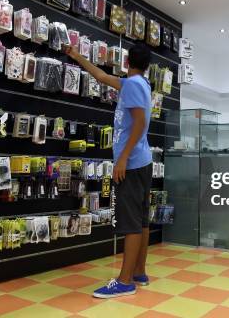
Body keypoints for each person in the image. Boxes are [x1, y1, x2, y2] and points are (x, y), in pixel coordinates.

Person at [64, 43, 153, 299]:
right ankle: (139, 272)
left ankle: (125, 281)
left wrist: (123, 158)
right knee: (142, 219)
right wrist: (76, 55)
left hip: (133, 163)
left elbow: (140, 122)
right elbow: (101, 76)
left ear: (127, 61)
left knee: (132, 222)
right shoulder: (138, 83)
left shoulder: (134, 85)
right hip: (141, 162)